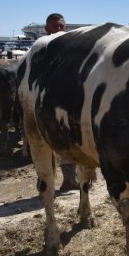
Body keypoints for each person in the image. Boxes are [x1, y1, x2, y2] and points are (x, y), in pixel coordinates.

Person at [41, 13, 79, 191]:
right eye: (55, 26)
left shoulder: (72, 47)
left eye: (61, 26)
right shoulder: (41, 50)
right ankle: (45, 181)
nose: (59, 29)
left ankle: (70, 179)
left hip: (70, 100)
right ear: (46, 29)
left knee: (70, 141)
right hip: (46, 102)